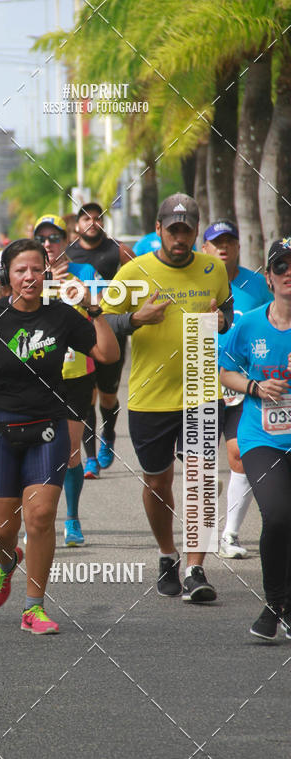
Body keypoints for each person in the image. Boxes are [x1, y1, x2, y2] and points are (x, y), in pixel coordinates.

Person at [0, 238, 119, 634]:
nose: (30, 277)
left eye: (37, 269)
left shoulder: (62, 316)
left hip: (48, 427)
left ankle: (34, 607)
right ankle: (6, 562)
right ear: (7, 275)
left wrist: (93, 308)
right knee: (1, 530)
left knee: (40, 517)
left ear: (46, 273)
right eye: (21, 270)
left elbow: (107, 354)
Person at [101, 193, 232, 601]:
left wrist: (221, 320)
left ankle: (195, 569)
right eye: (173, 230)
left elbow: (225, 313)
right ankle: (166, 553)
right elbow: (100, 323)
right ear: (158, 230)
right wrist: (135, 319)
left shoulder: (213, 268)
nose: (180, 238)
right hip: (150, 394)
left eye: (187, 230)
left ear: (196, 232)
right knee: (158, 482)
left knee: (201, 481)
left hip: (200, 389)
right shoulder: (135, 272)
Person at [220, 237, 291, 640]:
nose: (288, 273)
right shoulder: (250, 323)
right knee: (279, 516)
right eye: (281, 266)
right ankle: (272, 604)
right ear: (268, 277)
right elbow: (224, 369)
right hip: (261, 436)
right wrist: (253, 386)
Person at [32, 214, 106, 547]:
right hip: (37, 372)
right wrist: (43, 283)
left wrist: (70, 290)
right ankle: (36, 517)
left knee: (70, 453)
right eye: (42, 239)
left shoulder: (85, 272)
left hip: (77, 374)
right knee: (35, 450)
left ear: (66, 241)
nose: (49, 244)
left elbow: (98, 313)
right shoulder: (29, 276)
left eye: (54, 238)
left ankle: (72, 519)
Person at [202, 218, 273, 559]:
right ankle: (194, 544)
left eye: (229, 241)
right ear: (205, 248)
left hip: (240, 384)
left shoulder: (257, 285)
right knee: (198, 466)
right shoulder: (195, 280)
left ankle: (229, 534)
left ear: (238, 246)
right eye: (217, 242)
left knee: (238, 456)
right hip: (198, 381)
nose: (223, 247)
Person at [66, 202, 134, 479]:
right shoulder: (68, 254)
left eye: (97, 218)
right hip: (81, 335)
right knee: (87, 396)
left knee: (107, 397)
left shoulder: (118, 249)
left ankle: (108, 433)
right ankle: (90, 457)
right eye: (86, 218)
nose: (92, 222)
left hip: (111, 331)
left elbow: (137, 278)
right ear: (77, 225)